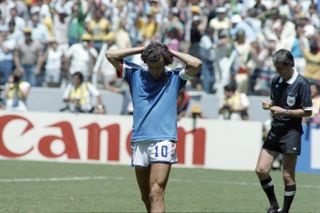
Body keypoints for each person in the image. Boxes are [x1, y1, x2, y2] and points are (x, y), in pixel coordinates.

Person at [105, 42, 201, 212]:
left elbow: (196, 64)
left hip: (163, 139)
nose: (155, 70)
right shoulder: (134, 73)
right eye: (152, 66)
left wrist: (169, 51)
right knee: (146, 196)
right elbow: (110, 55)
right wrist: (141, 49)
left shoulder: (175, 78)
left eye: (159, 66)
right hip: (140, 140)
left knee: (156, 192)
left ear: (166, 62)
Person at [255, 49, 312, 213]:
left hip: (291, 133)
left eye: (280, 68)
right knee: (261, 170)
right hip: (276, 130)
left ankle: (284, 211)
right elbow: (276, 104)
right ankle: (274, 205)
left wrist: (285, 111)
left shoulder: (301, 83)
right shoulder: (276, 80)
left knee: (287, 175)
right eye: (276, 68)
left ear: (291, 65)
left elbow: (308, 111)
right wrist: (270, 106)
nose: (278, 71)